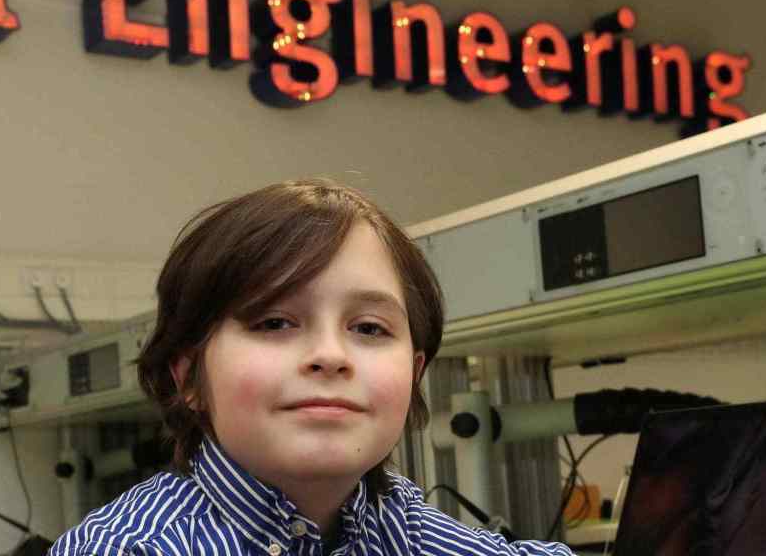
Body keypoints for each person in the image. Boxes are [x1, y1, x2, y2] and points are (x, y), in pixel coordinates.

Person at [49, 179, 574, 556]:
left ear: (414, 374)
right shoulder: (128, 547)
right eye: (274, 322)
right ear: (188, 377)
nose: (331, 355)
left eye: (369, 328)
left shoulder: (404, 530)